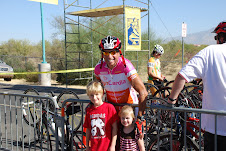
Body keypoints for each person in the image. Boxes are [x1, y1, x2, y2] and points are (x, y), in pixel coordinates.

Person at [168, 21, 226, 151]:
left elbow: (181, 76)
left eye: (216, 38)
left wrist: (171, 101)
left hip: (216, 129)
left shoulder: (210, 51)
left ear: (221, 37)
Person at [94, 35, 148, 119]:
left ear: (119, 52)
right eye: (106, 53)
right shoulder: (99, 69)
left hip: (129, 109)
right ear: (102, 54)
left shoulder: (126, 67)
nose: (109, 56)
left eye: (113, 52)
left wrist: (139, 116)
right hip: (111, 109)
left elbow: (143, 92)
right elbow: (96, 90)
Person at [83, 80, 118, 151]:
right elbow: (88, 129)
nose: (94, 98)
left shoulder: (109, 108)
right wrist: (87, 145)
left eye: (96, 94)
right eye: (91, 95)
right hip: (94, 147)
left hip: (106, 146)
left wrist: (113, 145)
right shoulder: (89, 110)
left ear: (102, 94)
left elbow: (115, 128)